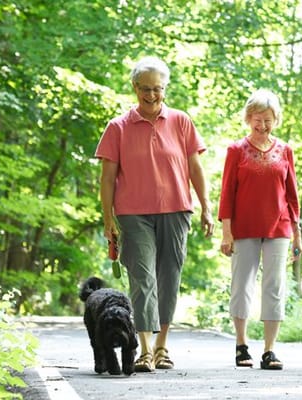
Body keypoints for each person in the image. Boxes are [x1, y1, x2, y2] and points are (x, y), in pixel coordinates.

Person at [95, 56, 214, 373]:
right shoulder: (118, 127)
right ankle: (144, 348)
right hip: (133, 214)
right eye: (144, 89)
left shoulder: (181, 121)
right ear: (134, 87)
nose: (151, 95)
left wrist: (206, 206)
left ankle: (162, 347)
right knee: (142, 277)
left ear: (165, 88)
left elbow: (195, 167)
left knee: (169, 277)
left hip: (176, 209)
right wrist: (108, 219)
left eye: (157, 89)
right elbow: (107, 178)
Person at [218, 89, 302, 371]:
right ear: (248, 118)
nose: (262, 125)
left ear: (275, 119)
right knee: (242, 286)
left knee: (274, 286)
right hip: (243, 228)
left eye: (267, 119)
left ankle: (270, 349)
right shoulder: (236, 150)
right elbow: (227, 192)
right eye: (257, 119)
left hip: (279, 227)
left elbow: (292, 195)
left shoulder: (285, 150)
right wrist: (226, 232)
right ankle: (241, 344)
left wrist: (297, 234)